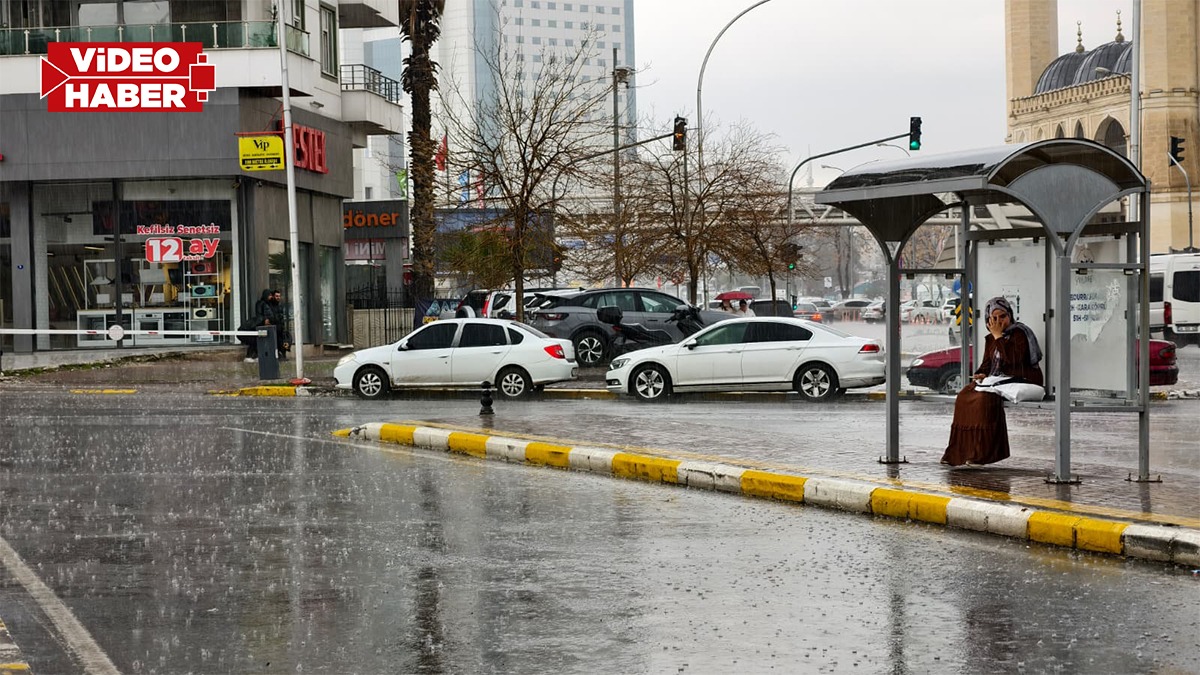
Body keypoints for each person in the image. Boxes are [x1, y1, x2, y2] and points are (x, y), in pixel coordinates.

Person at [941, 296, 1044, 467]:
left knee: (984, 400)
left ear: (1010, 316)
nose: (998, 321)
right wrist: (981, 374)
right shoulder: (990, 338)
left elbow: (1014, 359)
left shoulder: (1019, 333)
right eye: (994, 318)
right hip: (998, 380)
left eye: (1002, 317)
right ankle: (959, 451)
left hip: (1021, 379)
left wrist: (999, 338)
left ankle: (983, 453)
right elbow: (986, 365)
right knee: (964, 396)